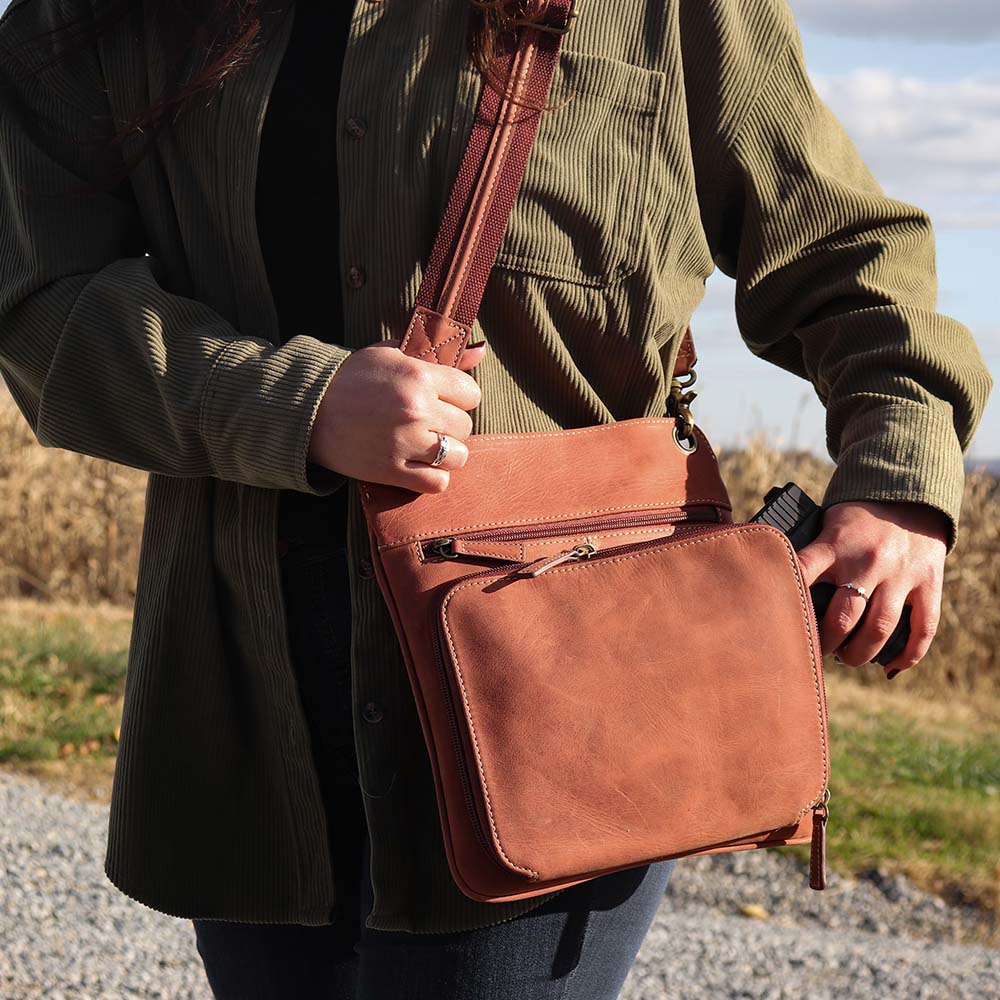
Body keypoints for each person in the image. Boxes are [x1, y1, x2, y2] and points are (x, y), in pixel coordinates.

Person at [0, 1, 991, 998]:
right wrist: (294, 405)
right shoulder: (102, 17)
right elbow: (35, 297)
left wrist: (899, 479)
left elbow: (845, 251)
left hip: (570, 690)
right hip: (252, 708)